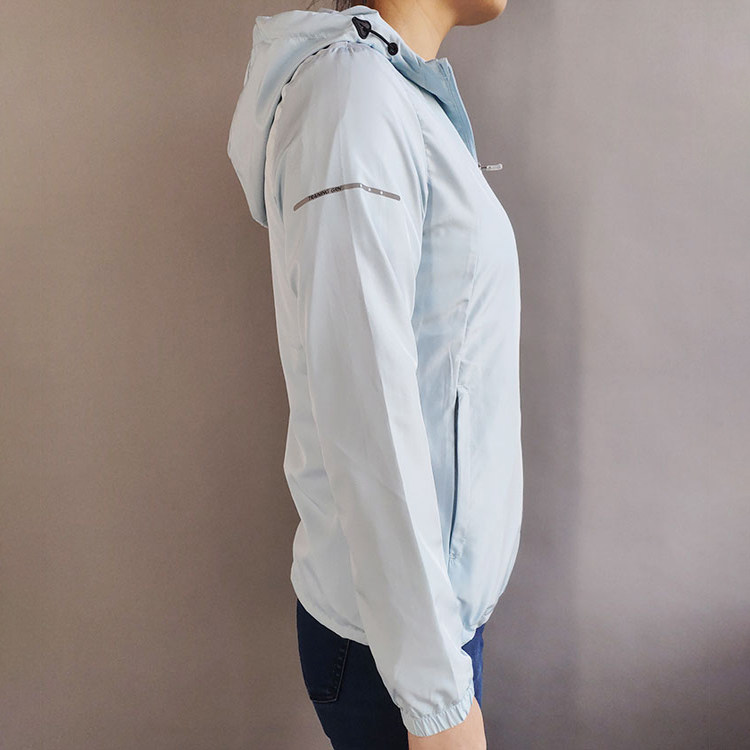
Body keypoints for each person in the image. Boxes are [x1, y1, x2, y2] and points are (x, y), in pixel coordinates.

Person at [227, 1, 522, 747]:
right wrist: (438, 703)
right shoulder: (353, 99)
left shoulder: (388, 95)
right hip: (398, 651)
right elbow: (368, 417)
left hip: (424, 626)